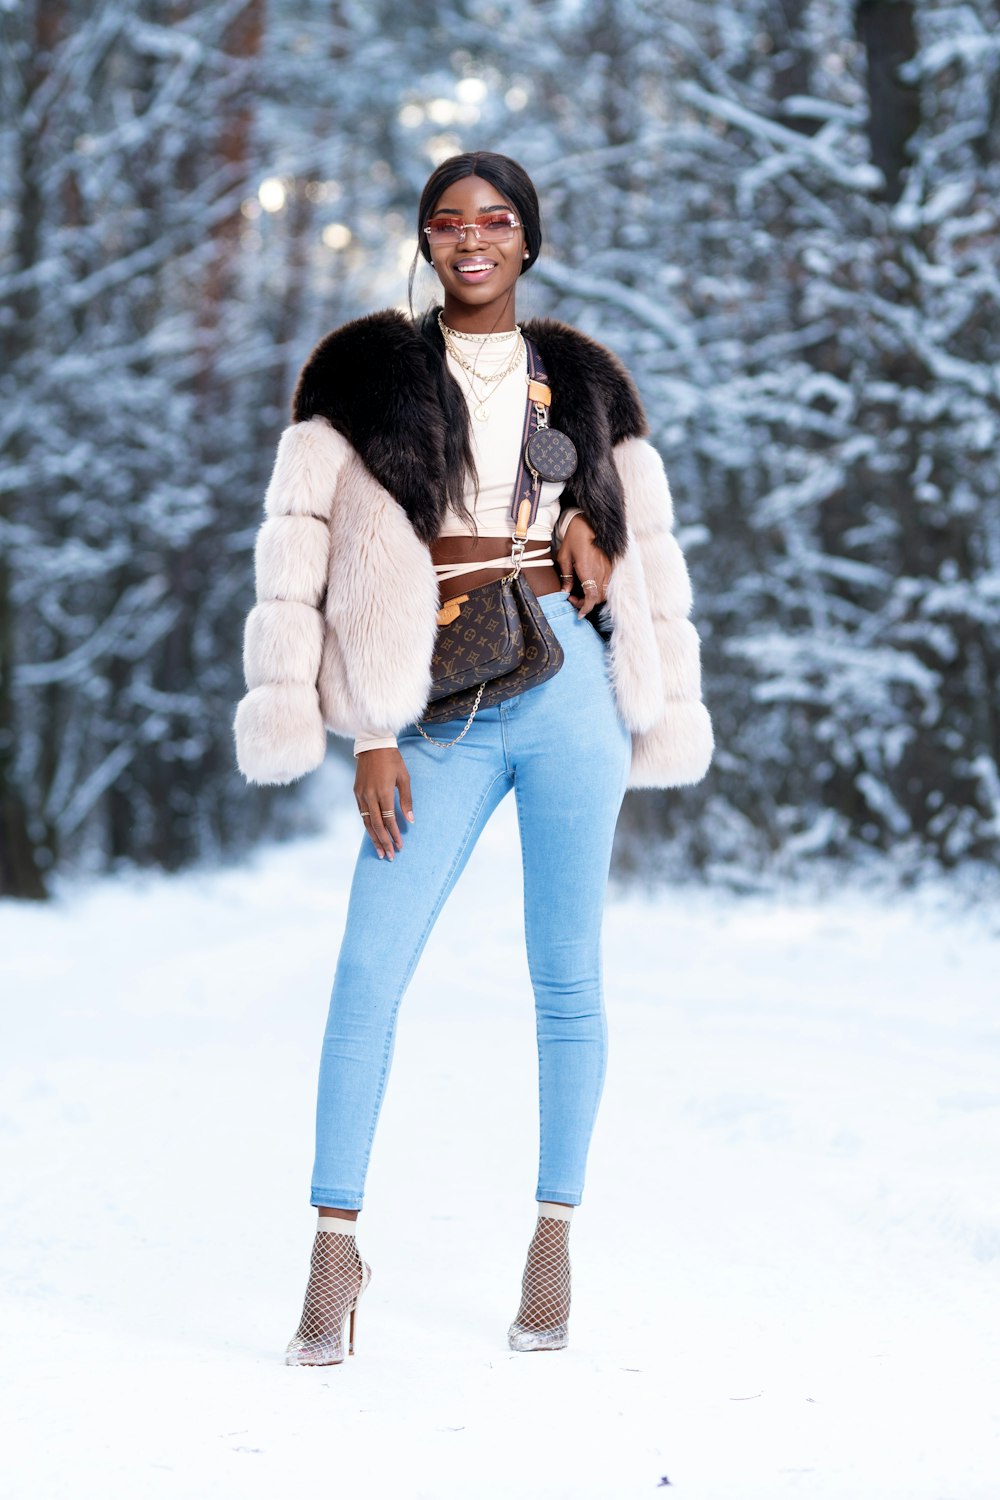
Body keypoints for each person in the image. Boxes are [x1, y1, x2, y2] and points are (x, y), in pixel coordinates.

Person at [234, 151, 713, 1365]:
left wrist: (599, 545)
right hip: (432, 703)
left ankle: (552, 1245)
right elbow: (312, 554)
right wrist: (372, 732)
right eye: (448, 223)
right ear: (425, 243)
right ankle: (333, 1252)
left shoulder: (589, 381)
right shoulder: (358, 373)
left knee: (567, 977)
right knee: (366, 970)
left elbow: (646, 545)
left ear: (529, 240)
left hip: (569, 686)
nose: (472, 239)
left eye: (495, 220)